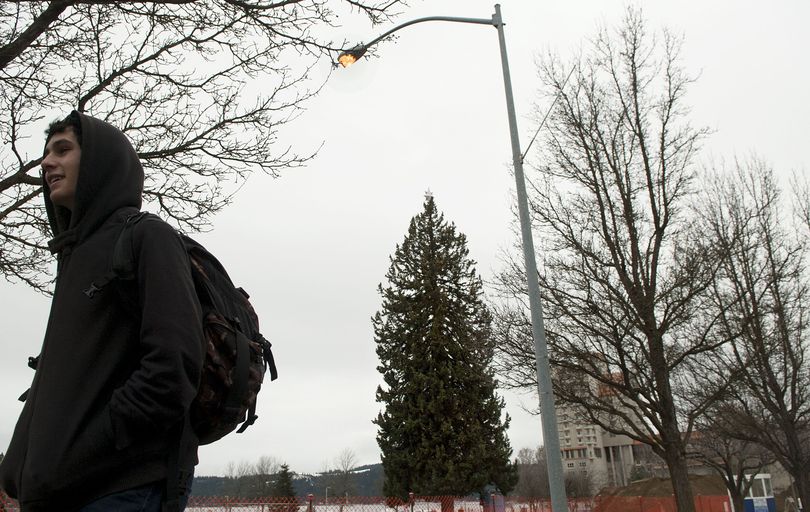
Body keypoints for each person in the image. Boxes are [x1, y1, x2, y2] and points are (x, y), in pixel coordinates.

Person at [0, 111, 205, 512]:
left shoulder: (147, 236)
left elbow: (173, 367)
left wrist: (91, 446)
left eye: (63, 149)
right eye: (46, 153)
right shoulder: (74, 260)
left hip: (123, 489)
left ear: (99, 162)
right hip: (62, 493)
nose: (46, 163)